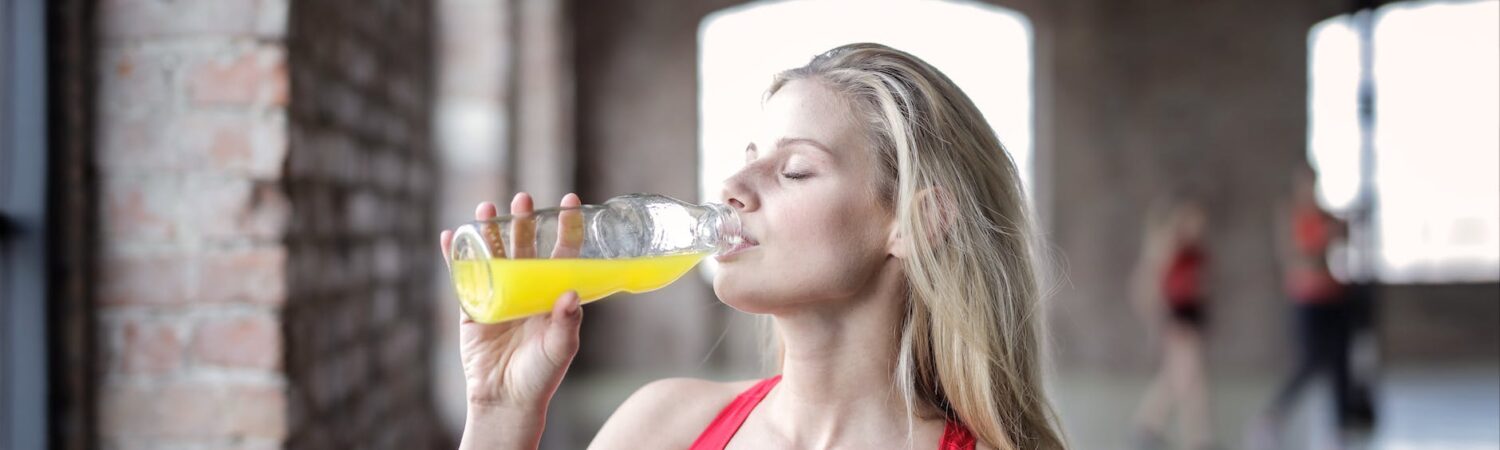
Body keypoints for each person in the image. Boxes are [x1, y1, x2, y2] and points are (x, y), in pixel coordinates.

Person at [438, 43, 1066, 449]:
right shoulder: (659, 427)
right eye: (746, 160)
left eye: (793, 170)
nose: (732, 189)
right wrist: (499, 412)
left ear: (915, 223)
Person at [1129, 200, 1214, 450]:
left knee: (1177, 380)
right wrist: (1159, 322)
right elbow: (1147, 288)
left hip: (1192, 317)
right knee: (1192, 381)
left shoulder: (1196, 252)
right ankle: (1199, 439)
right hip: (1176, 321)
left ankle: (1146, 426)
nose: (1199, 227)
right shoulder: (1167, 249)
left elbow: (1202, 288)